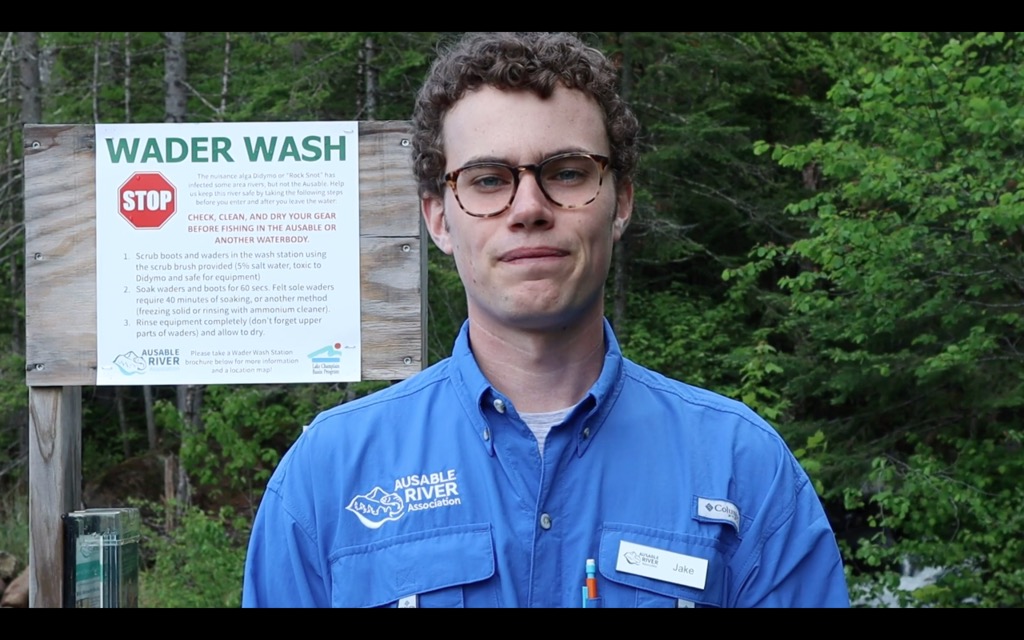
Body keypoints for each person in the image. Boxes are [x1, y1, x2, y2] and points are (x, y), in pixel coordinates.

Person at [242, 31, 850, 608]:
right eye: (487, 180)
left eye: (566, 173)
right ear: (437, 218)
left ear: (622, 201)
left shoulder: (743, 468)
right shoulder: (328, 475)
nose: (529, 208)